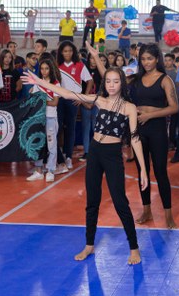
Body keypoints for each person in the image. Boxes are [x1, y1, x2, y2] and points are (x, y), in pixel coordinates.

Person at [24, 57, 149, 266]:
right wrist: (39, 81)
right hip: (96, 152)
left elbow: (135, 138)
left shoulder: (129, 107)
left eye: (116, 81)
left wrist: (143, 169)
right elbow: (66, 93)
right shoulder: (99, 100)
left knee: (120, 202)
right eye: (108, 81)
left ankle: (134, 247)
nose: (111, 85)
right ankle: (89, 244)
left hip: (112, 154)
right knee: (92, 202)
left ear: (122, 83)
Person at [128, 43, 179, 228]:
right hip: (138, 130)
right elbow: (111, 81)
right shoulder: (135, 79)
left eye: (149, 58)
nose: (146, 62)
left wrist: (150, 115)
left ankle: (168, 214)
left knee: (160, 172)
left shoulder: (165, 80)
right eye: (143, 59)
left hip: (157, 129)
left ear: (157, 59)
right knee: (142, 171)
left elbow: (174, 107)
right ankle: (147, 210)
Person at [57, 41, 93, 171]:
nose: (68, 53)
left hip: (73, 100)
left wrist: (83, 97)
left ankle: (68, 157)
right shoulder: (57, 65)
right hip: (59, 100)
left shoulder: (79, 65)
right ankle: (58, 157)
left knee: (70, 129)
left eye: (70, 51)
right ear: (61, 52)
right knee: (58, 128)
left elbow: (90, 80)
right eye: (65, 51)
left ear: (73, 52)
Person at [26, 57, 61, 183]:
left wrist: (41, 101)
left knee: (51, 144)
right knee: (38, 144)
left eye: (46, 68)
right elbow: (34, 101)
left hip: (51, 117)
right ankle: (39, 170)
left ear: (51, 69)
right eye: (42, 68)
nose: (44, 71)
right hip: (38, 118)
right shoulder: (37, 82)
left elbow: (55, 102)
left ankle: (51, 170)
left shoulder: (56, 84)